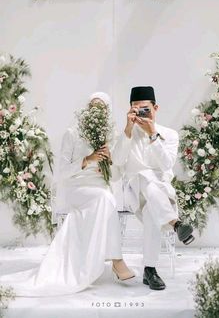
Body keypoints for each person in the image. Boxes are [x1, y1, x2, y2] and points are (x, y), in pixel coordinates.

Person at [0, 92, 135, 297]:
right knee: (106, 199)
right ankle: (117, 260)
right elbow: (61, 173)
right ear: (86, 110)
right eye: (93, 107)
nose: (97, 111)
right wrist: (87, 159)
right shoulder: (72, 133)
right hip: (77, 187)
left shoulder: (111, 135)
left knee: (106, 198)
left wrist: (109, 163)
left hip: (101, 187)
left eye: (102, 108)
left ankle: (113, 260)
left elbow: (116, 177)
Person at [112, 86, 195, 291]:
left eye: (145, 109)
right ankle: (175, 224)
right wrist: (128, 130)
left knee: (151, 211)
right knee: (145, 178)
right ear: (130, 110)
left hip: (160, 194)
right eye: (135, 109)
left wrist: (152, 134)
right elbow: (117, 161)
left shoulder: (169, 134)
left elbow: (166, 165)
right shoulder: (125, 134)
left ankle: (150, 270)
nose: (140, 113)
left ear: (155, 108)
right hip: (134, 190)